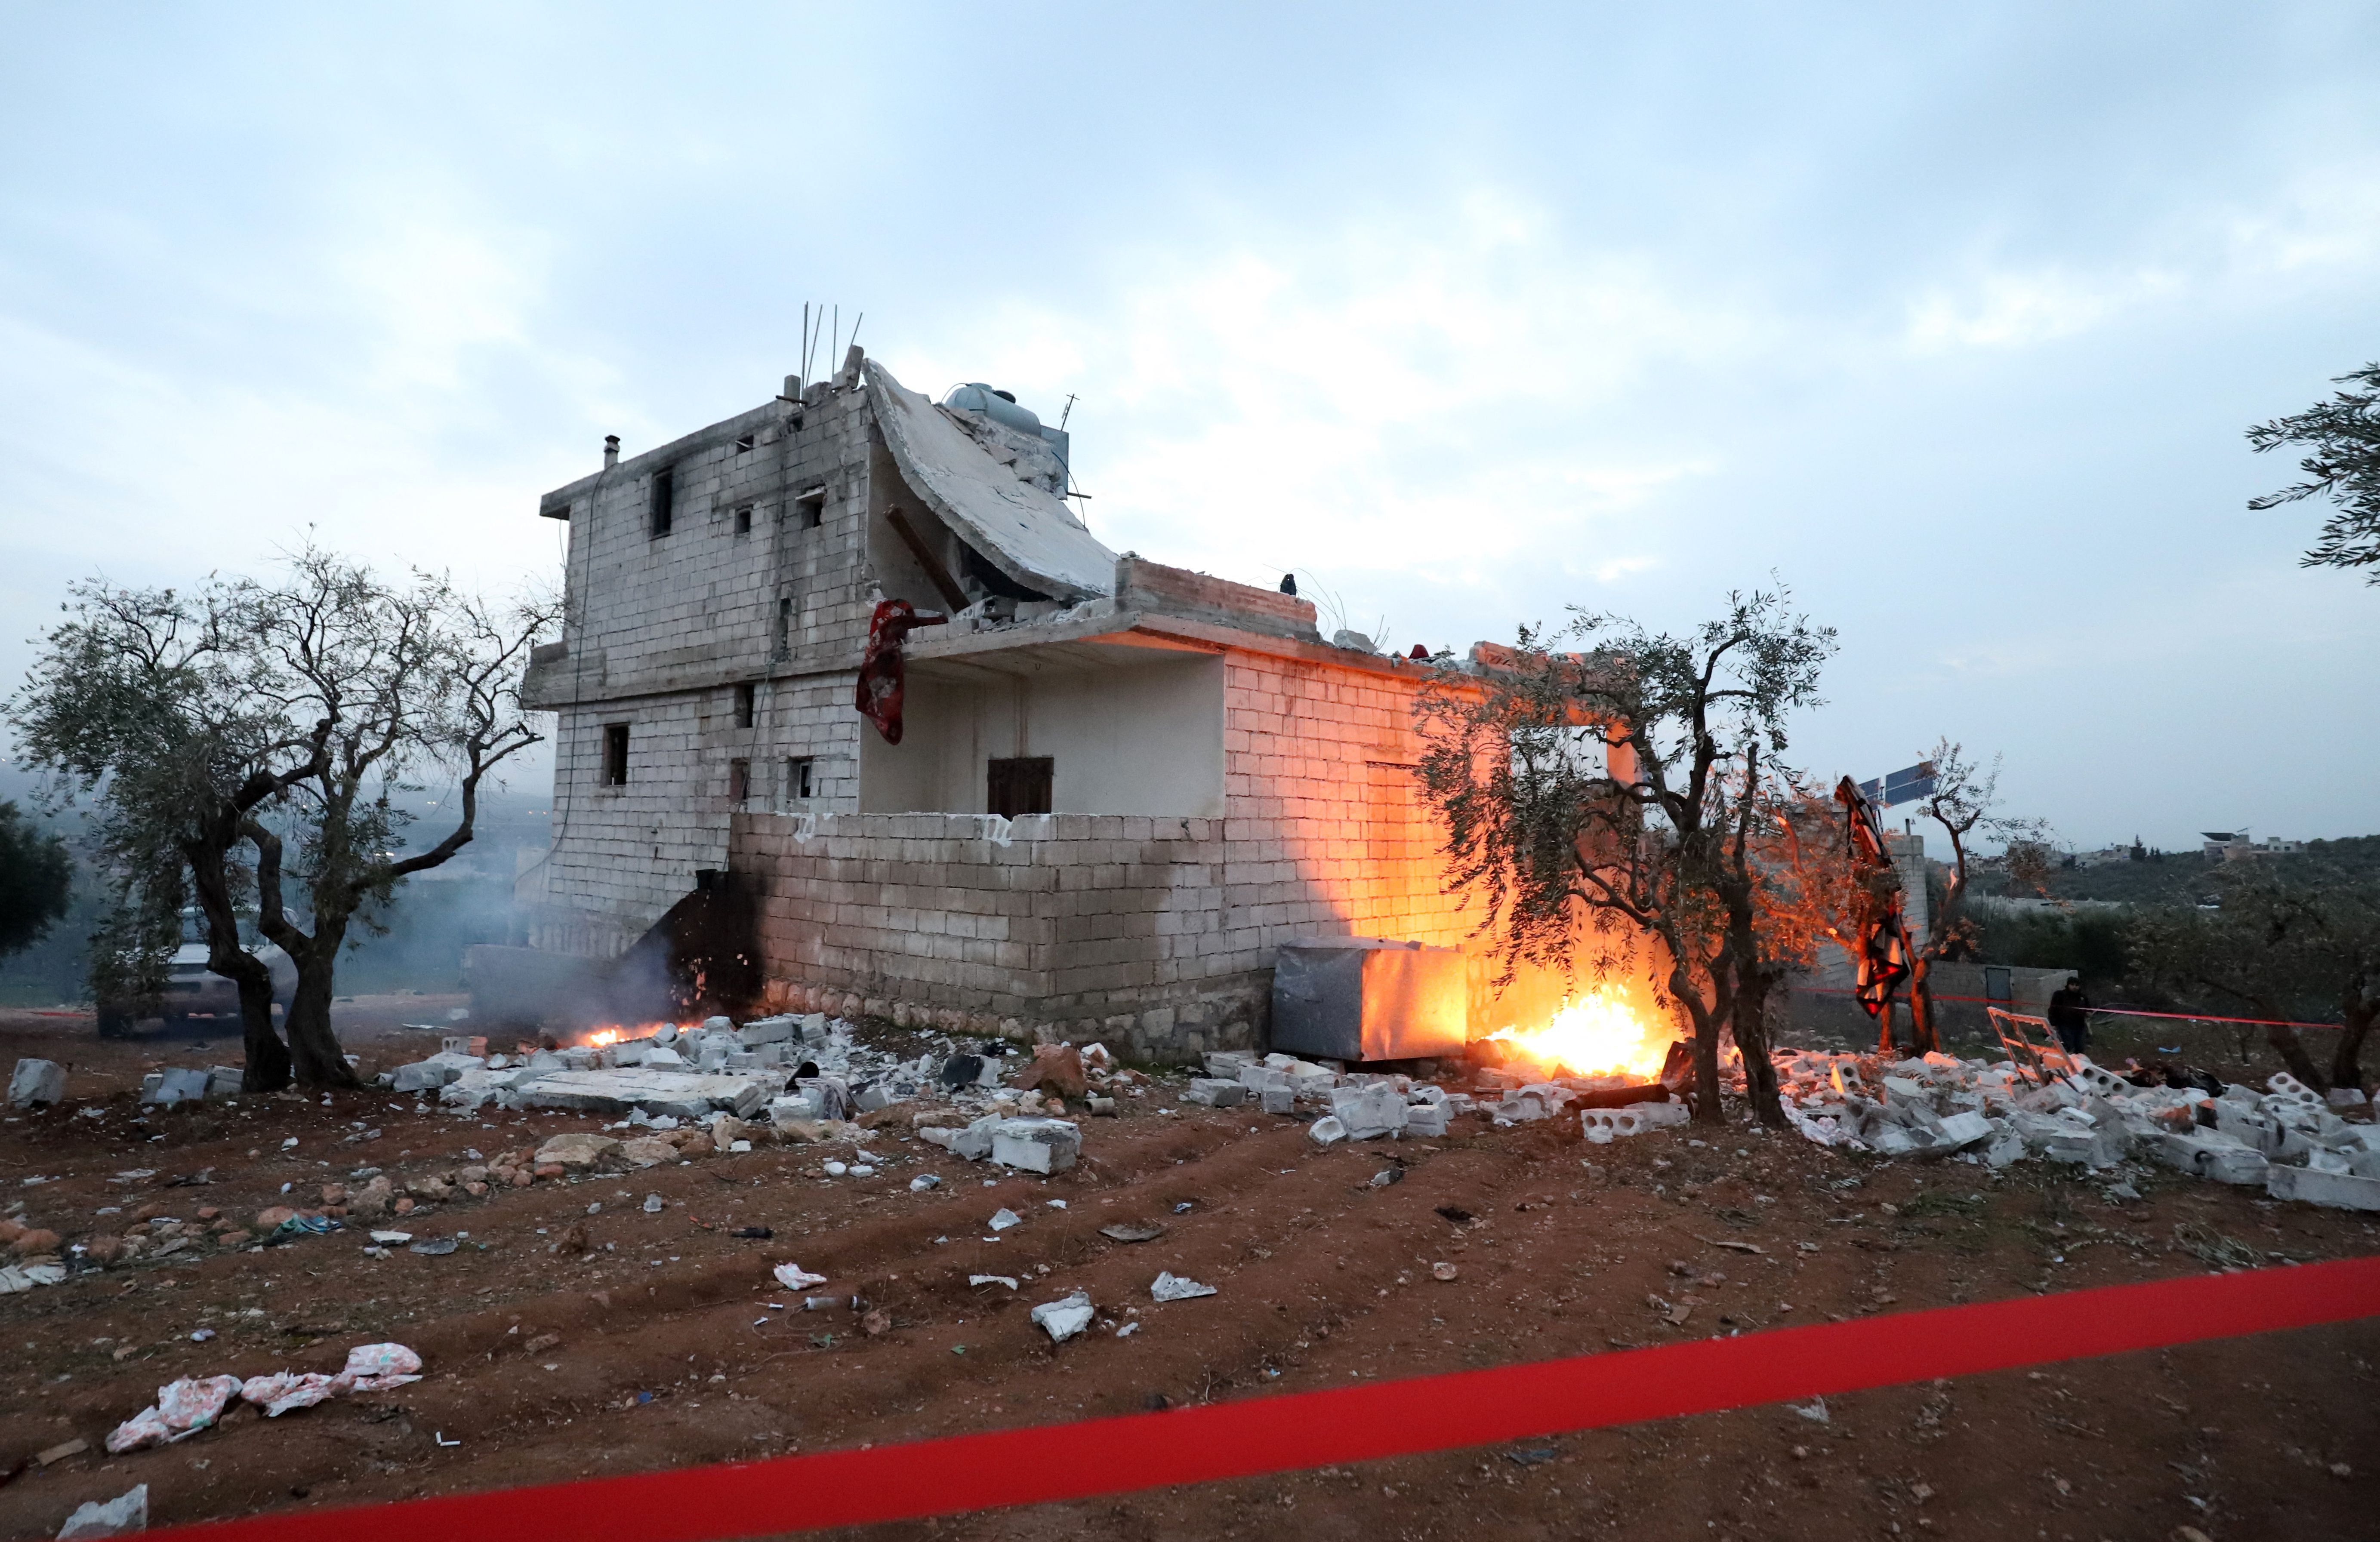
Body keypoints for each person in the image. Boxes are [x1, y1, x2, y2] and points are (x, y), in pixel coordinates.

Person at [2047, 975, 2092, 1054]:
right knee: (2068, 1044)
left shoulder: (2082, 997)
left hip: (2079, 1025)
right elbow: (2053, 1009)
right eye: (2072, 985)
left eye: (2077, 985)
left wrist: (2088, 1013)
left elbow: (2089, 1010)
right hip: (2064, 1024)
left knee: (2080, 1047)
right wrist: (2053, 1023)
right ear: (2068, 985)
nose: (2075, 987)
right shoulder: (2060, 995)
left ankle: (2078, 1063)